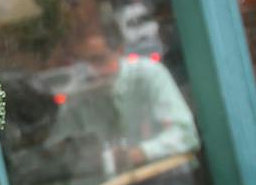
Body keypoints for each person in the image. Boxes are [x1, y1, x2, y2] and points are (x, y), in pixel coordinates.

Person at [48, 21, 198, 174]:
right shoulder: (77, 96)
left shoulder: (148, 75)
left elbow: (185, 135)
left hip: (167, 179)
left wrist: (139, 153)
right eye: (81, 64)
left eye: (99, 60)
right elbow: (56, 151)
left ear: (119, 51)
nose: (91, 71)